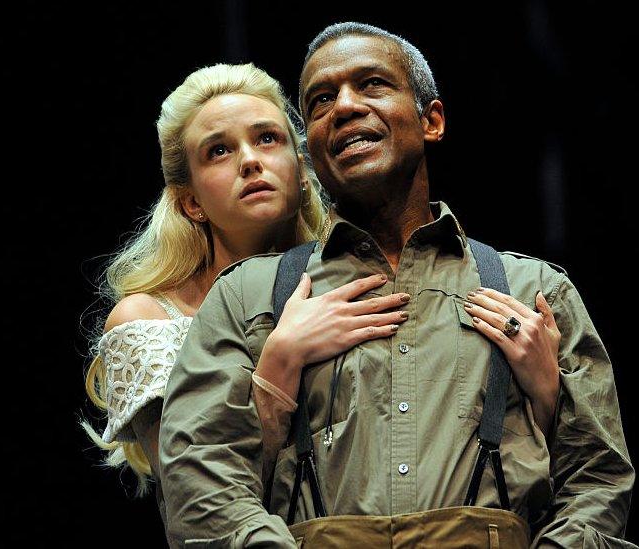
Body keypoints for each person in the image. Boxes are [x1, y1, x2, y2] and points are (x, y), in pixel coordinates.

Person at [160, 23, 636, 548]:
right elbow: (199, 480)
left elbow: (597, 479)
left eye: (371, 85)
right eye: (320, 101)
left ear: (431, 121)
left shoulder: (534, 289)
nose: (343, 107)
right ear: (312, 154)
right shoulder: (246, 298)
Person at [81, 62, 411, 547]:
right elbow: (194, 498)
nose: (250, 161)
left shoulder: (363, 280)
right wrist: (280, 360)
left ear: (302, 169)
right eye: (219, 151)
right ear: (190, 201)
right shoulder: (150, 320)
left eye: (268, 139)